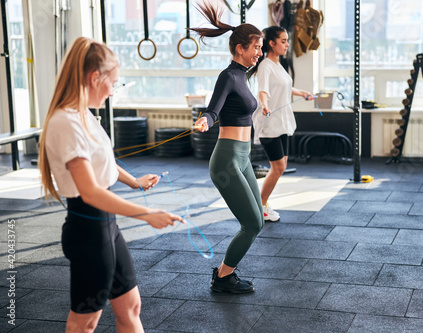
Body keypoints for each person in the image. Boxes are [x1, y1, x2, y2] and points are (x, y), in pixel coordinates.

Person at [38, 37, 184, 332]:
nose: (112, 91)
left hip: (107, 228)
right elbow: (90, 191)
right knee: (84, 324)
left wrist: (134, 182)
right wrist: (146, 215)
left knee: (130, 307)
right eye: (112, 83)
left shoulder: (83, 115)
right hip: (88, 231)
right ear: (95, 78)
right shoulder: (66, 122)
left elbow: (101, 161)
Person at [191, 1, 264, 294]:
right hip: (227, 159)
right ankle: (223, 277)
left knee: (258, 218)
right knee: (252, 224)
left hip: (243, 157)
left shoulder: (244, 77)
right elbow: (213, 109)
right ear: (239, 49)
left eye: (260, 48)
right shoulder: (229, 76)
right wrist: (205, 121)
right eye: (256, 47)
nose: (259, 52)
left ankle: (224, 274)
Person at [248, 26, 313, 222]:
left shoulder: (277, 64)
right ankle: (261, 206)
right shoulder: (266, 65)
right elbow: (263, 90)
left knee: (281, 166)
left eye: (287, 41)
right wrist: (265, 104)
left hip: (282, 122)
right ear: (272, 43)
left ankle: (261, 204)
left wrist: (302, 93)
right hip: (269, 122)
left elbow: (284, 85)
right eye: (283, 41)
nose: (287, 45)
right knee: (277, 168)